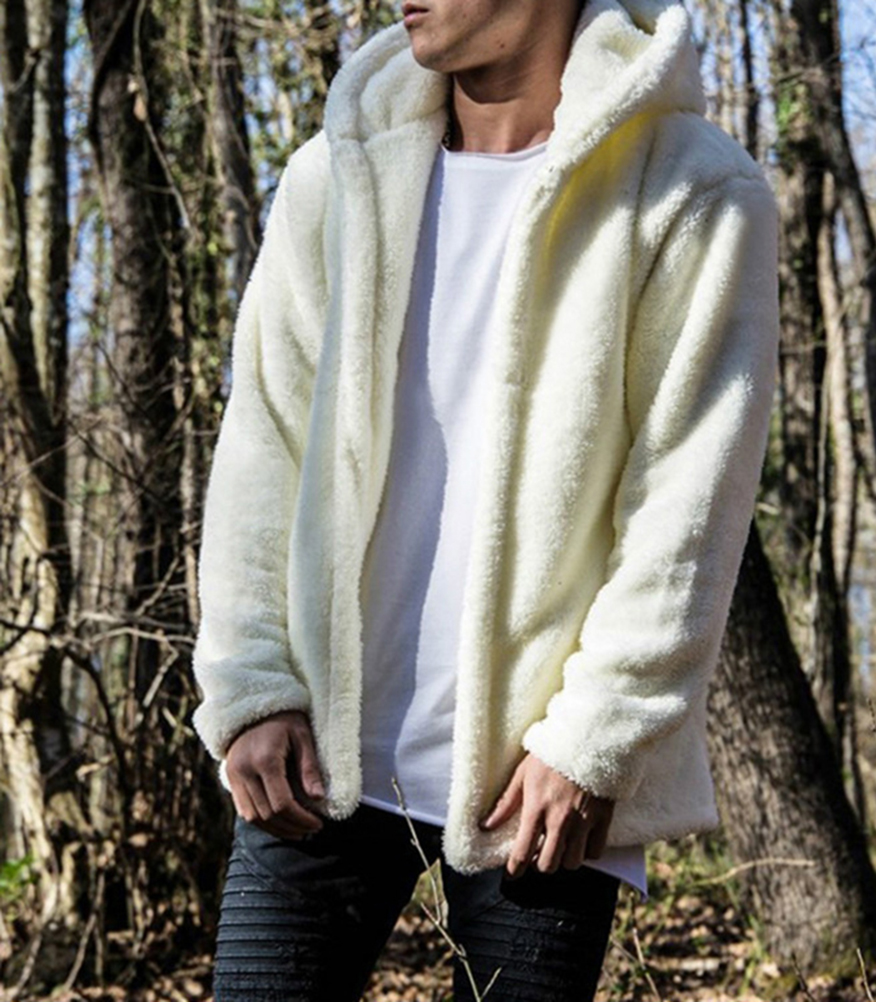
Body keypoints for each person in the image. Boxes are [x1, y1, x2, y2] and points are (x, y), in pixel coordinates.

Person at [189, 0, 780, 999]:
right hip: (314, 757)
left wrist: (594, 739)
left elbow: (687, 501)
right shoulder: (336, 174)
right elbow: (263, 445)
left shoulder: (693, 190)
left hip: (540, 784)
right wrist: (252, 689)